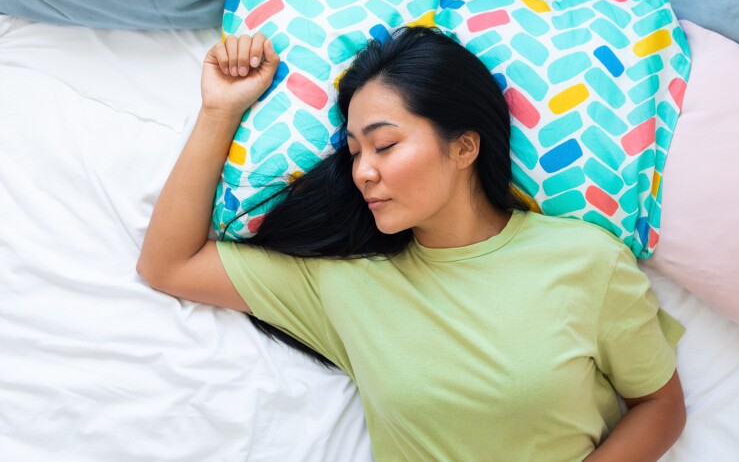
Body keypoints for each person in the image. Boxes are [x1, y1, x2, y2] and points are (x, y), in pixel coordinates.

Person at [137, 26, 686, 461]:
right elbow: (168, 264)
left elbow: (660, 405)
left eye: (384, 145)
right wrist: (219, 110)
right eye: (354, 152)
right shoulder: (344, 280)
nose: (362, 172)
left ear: (465, 146)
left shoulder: (585, 259)